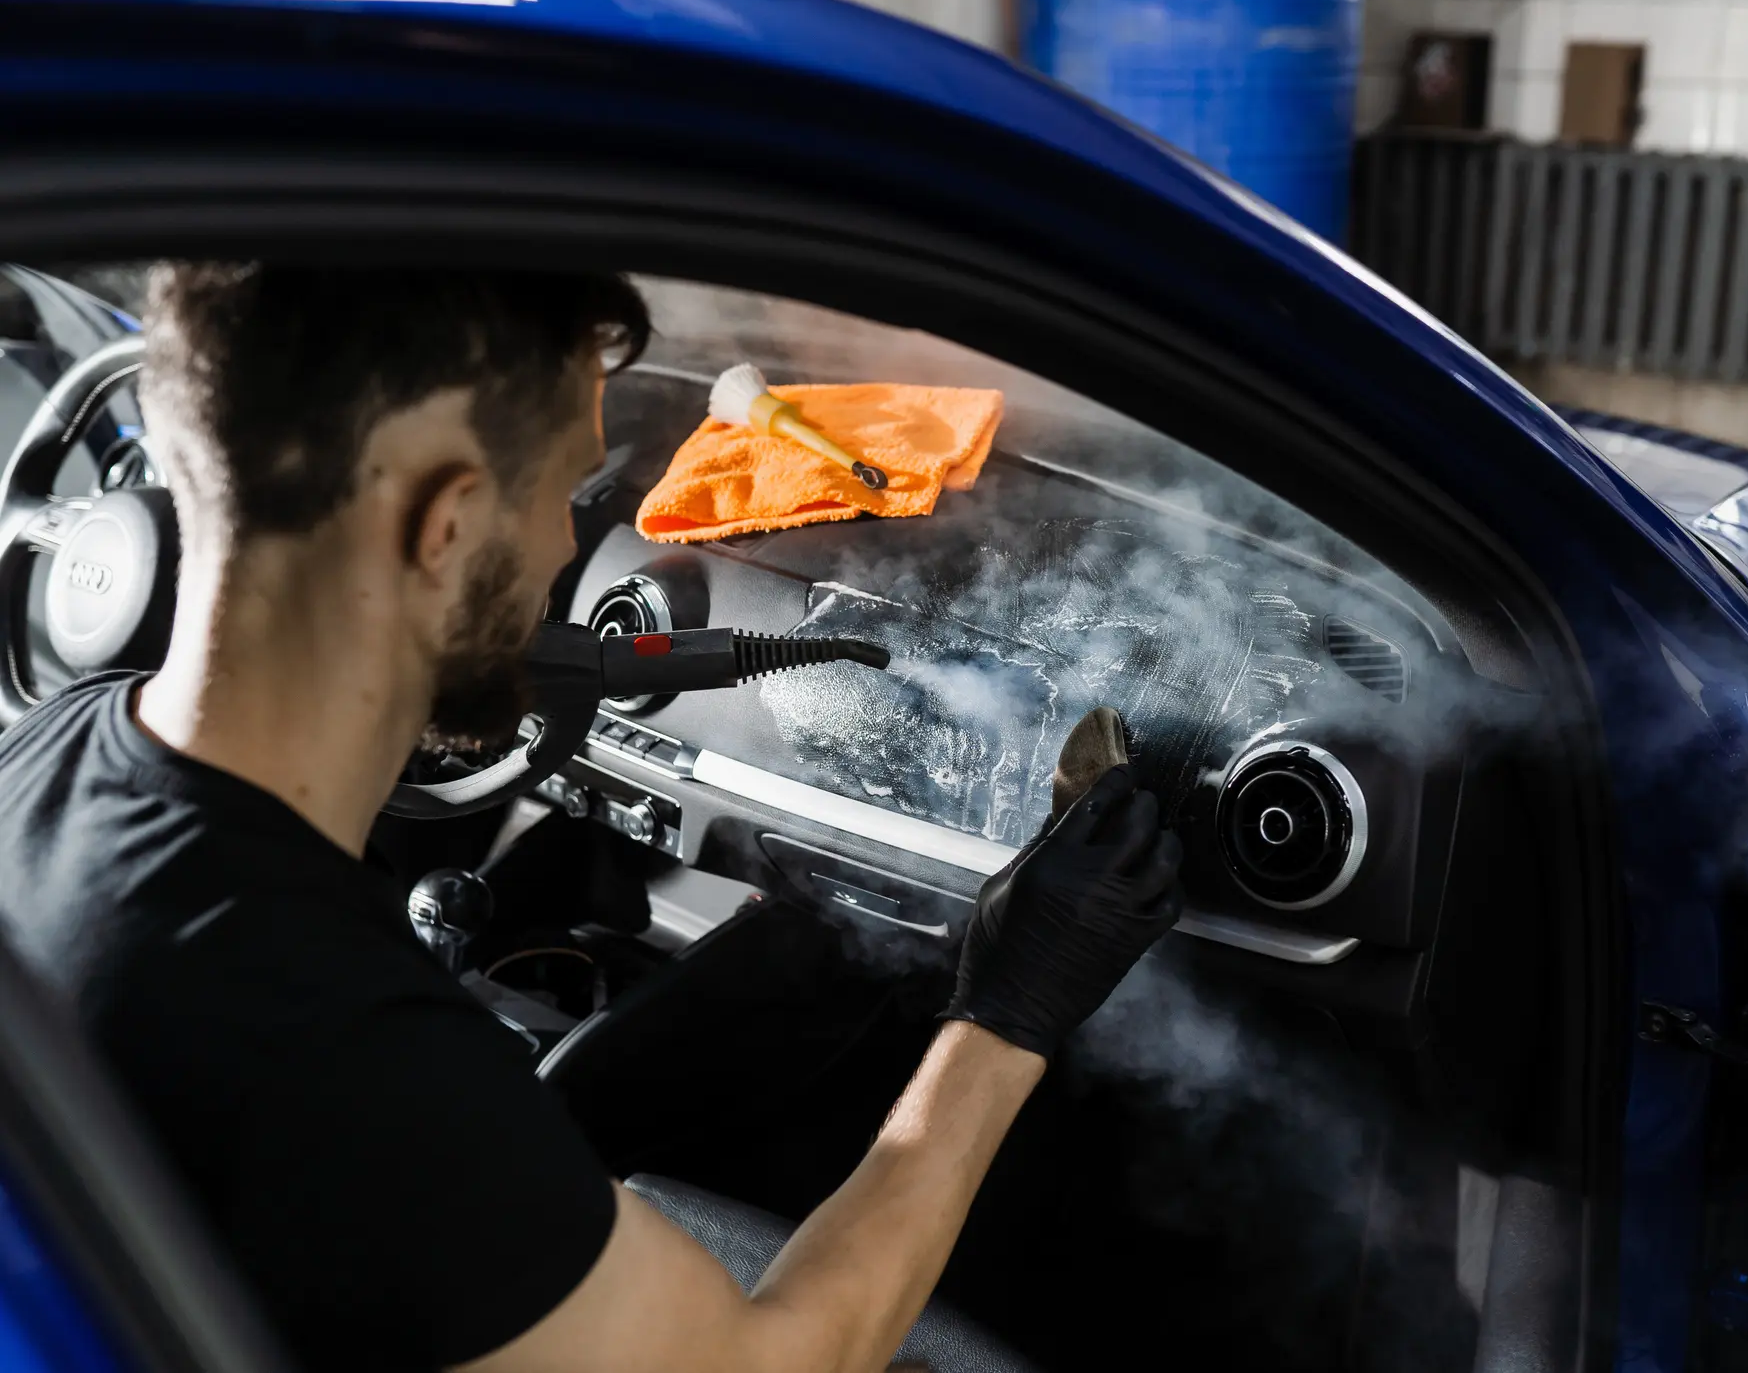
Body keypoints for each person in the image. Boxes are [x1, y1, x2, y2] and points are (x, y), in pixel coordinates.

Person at [0, 264, 1184, 1373]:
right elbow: (781, 1358)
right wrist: (1011, 1010)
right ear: (446, 523)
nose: (576, 544)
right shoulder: (342, 1062)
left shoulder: (50, 760)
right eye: (568, 492)